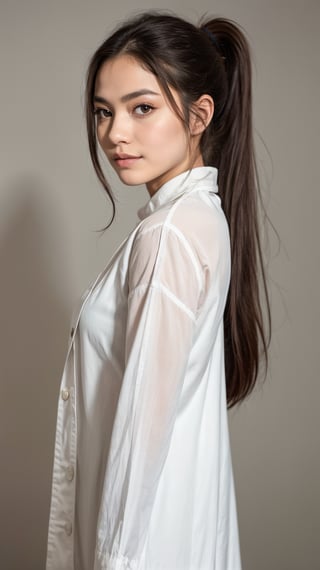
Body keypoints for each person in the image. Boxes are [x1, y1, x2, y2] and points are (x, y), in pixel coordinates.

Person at [45, 11, 270, 570]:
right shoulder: (199, 219)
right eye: (104, 111)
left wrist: (112, 561)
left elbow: (140, 433)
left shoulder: (169, 234)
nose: (114, 132)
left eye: (141, 108)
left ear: (199, 116)